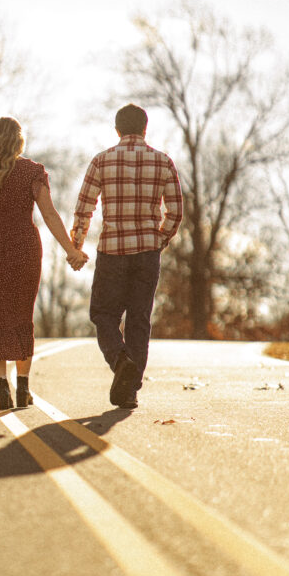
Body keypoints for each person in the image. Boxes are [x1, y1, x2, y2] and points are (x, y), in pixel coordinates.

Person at [0, 117, 87, 410]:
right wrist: (71, 251)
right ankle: (23, 388)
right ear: (18, 141)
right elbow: (50, 215)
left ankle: (2, 389)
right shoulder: (32, 172)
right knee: (20, 316)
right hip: (25, 250)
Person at [70, 104, 182, 409]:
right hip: (147, 252)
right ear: (145, 129)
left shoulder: (102, 160)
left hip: (113, 252)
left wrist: (76, 246)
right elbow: (175, 211)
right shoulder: (163, 161)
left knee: (103, 315)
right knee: (139, 320)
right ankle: (130, 388)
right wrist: (160, 238)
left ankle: (121, 361)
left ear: (117, 129)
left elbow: (84, 209)